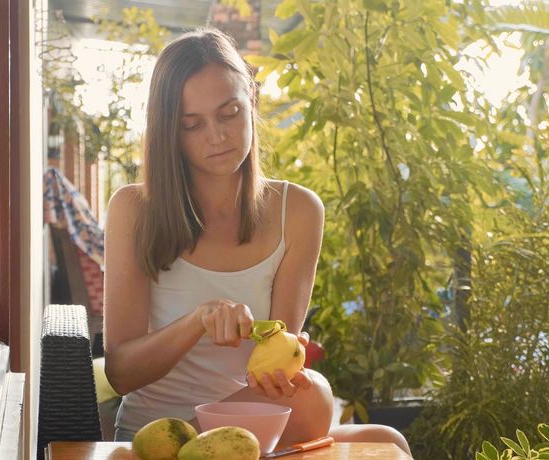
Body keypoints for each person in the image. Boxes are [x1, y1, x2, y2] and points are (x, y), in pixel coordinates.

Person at [103, 28, 411, 455]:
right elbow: (120, 373)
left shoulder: (299, 211)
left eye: (229, 112)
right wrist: (198, 321)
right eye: (192, 124)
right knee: (318, 400)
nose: (217, 136)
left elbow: (273, 365)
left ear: (252, 99)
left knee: (385, 437)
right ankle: (186, 452)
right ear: (169, 132)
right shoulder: (134, 209)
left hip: (253, 423)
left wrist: (283, 357)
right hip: (159, 436)